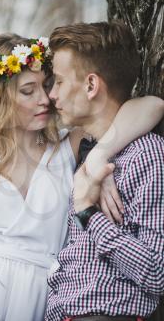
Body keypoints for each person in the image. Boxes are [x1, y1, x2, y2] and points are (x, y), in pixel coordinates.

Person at [0, 32, 163, 321]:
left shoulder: (70, 147)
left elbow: (152, 106)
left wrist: (99, 155)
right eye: (28, 91)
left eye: (47, 86)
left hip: (47, 298)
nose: (45, 99)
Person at [45, 21, 164, 321]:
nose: (52, 96)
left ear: (91, 85)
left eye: (58, 82)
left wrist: (89, 214)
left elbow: (157, 271)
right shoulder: (78, 153)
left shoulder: (146, 154)